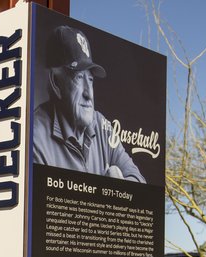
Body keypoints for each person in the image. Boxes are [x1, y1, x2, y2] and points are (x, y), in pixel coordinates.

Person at [32, 25, 145, 183]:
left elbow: (140, 182)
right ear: (56, 82)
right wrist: (111, 192)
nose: (88, 94)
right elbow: (41, 205)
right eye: (78, 78)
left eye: (90, 80)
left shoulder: (101, 125)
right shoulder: (35, 136)